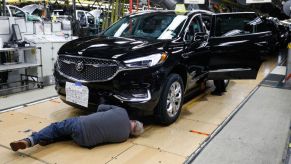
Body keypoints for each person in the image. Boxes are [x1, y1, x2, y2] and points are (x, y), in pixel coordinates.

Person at [10, 105, 144, 151]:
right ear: (132, 133)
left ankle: (30, 140)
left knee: (56, 127)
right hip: (85, 142)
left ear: (133, 120)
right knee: (67, 133)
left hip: (81, 124)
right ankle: (46, 139)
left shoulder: (122, 112)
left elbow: (100, 108)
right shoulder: (124, 138)